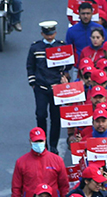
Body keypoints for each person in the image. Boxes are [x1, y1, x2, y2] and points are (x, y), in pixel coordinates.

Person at [27, 21, 69, 154]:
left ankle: (53, 145)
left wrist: (64, 77)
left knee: (56, 117)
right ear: (42, 34)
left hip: (56, 87)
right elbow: (30, 66)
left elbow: (68, 64)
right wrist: (33, 84)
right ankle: (42, 142)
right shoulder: (35, 47)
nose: (49, 37)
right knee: (40, 115)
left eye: (51, 34)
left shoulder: (61, 47)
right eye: (46, 34)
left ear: (55, 33)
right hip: (41, 87)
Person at [13, 126, 69, 197]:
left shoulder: (57, 160)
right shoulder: (21, 162)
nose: (38, 143)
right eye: (36, 141)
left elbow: (64, 186)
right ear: (30, 142)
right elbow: (16, 189)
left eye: (40, 141)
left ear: (45, 140)